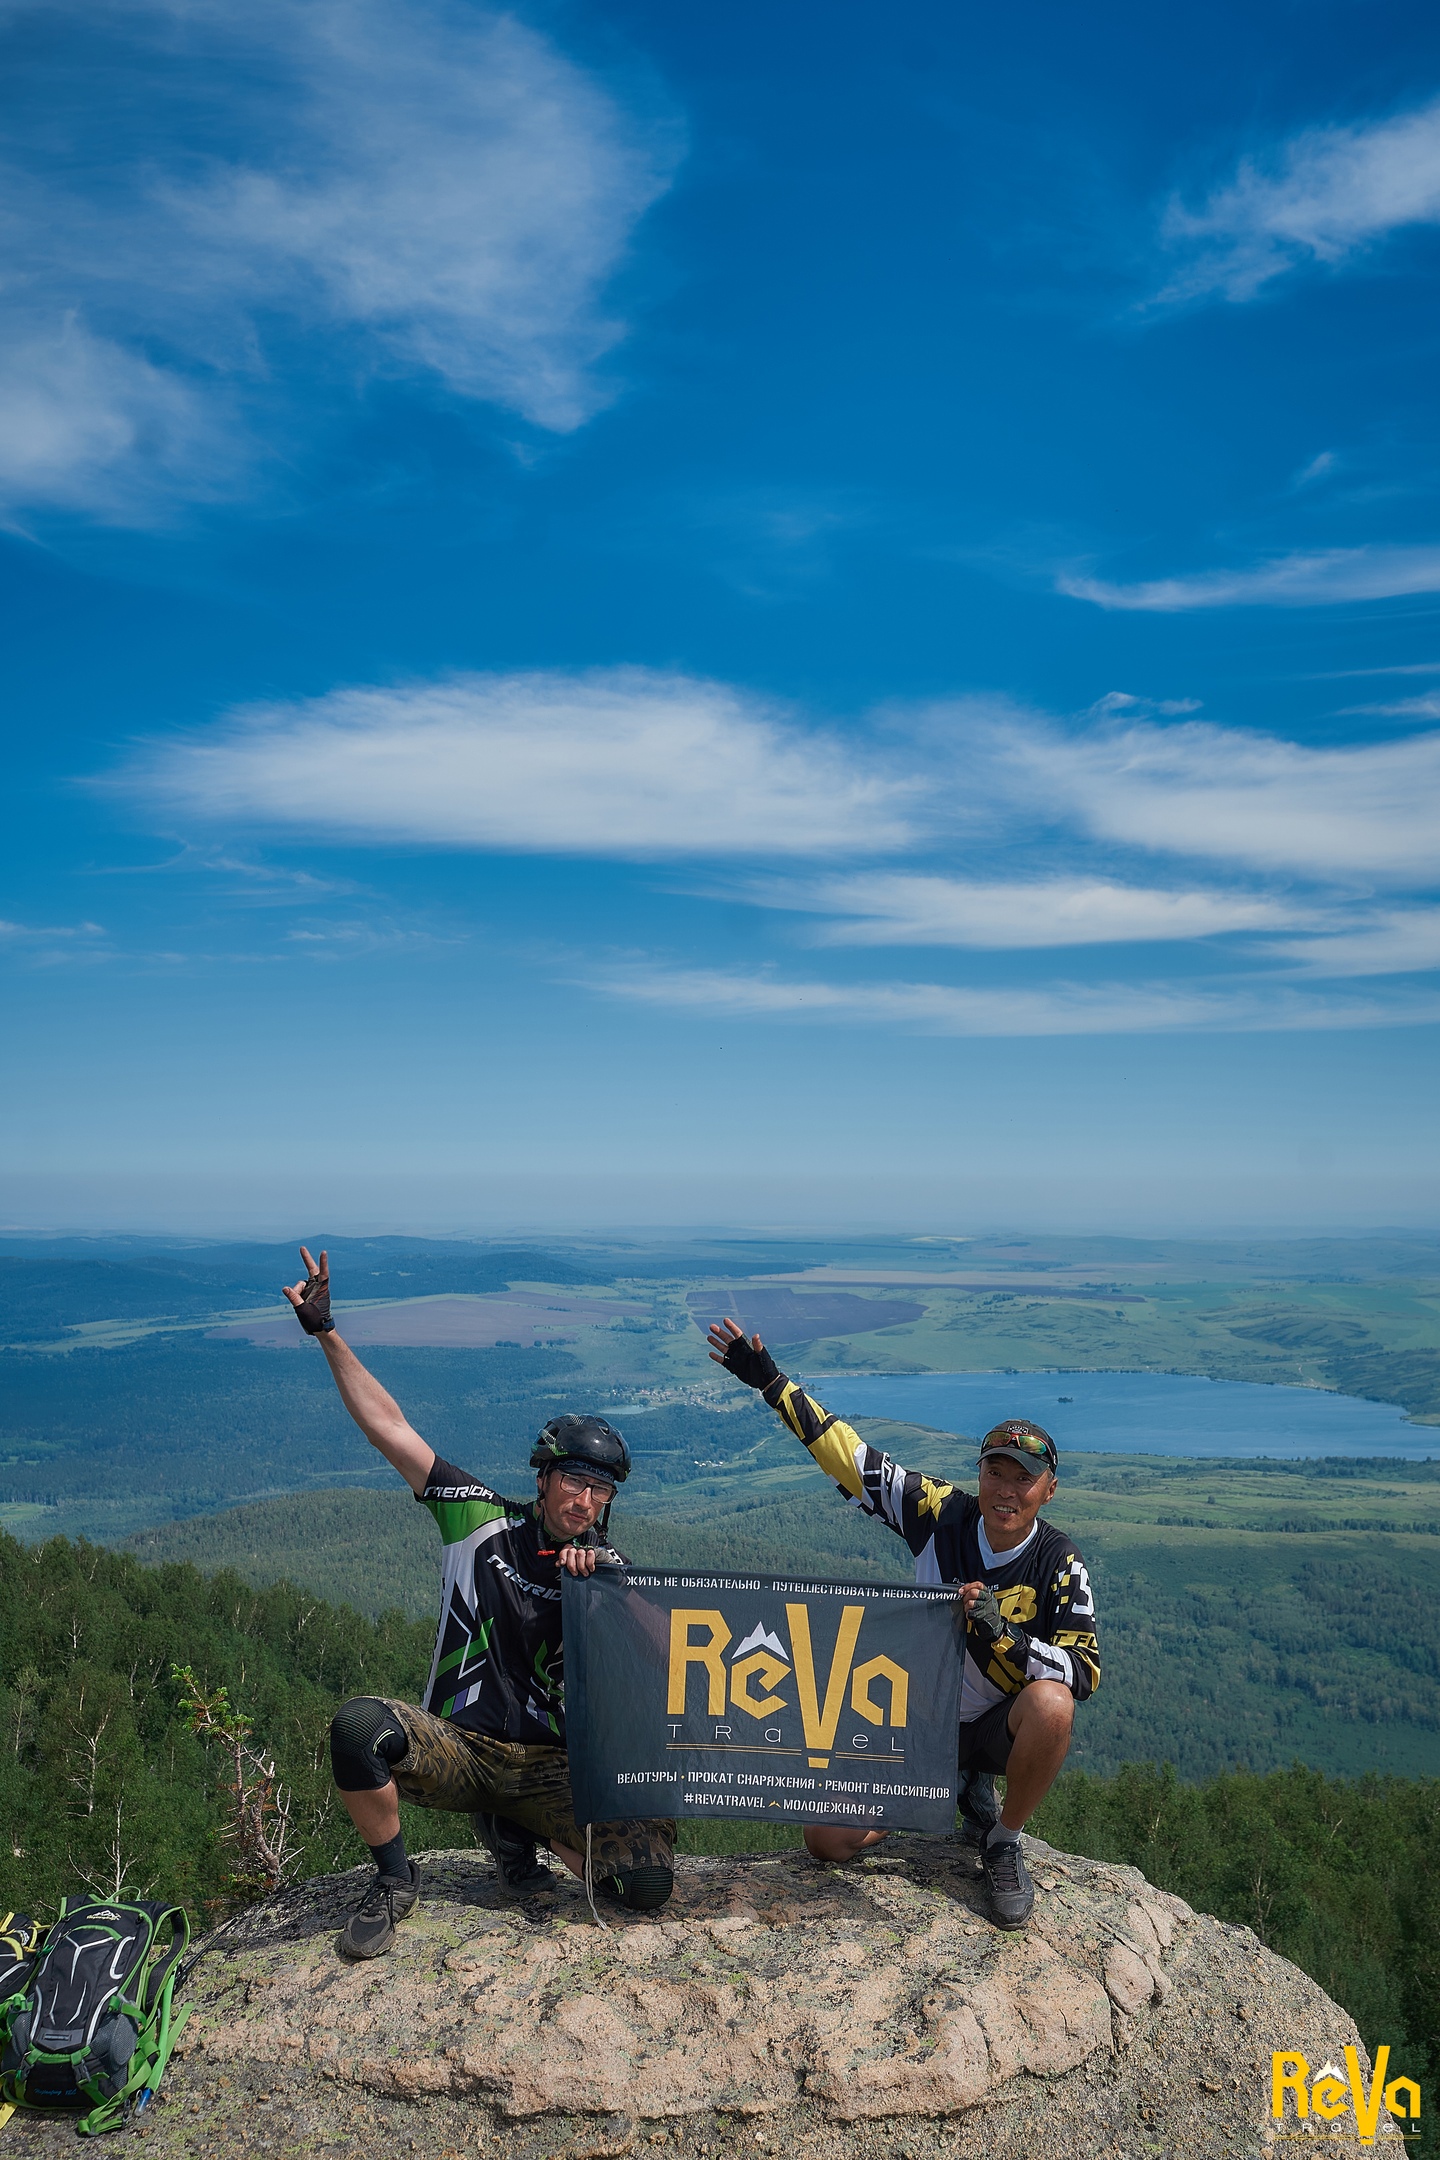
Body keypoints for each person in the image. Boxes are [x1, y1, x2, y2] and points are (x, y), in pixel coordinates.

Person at [284, 1246, 676, 1959]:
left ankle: (517, 1829)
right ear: (545, 1478)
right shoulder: (478, 1519)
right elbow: (391, 1428)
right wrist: (325, 1331)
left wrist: (610, 1588)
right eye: (572, 1482)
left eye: (601, 1490)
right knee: (358, 1728)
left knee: (643, 1889)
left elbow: (668, 1660)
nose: (584, 1501)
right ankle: (396, 1880)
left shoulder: (608, 1570)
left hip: (549, 1763)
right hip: (459, 1748)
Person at [706, 1318, 1100, 1929]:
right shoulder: (940, 1513)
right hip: (919, 1720)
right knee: (825, 1842)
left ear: (1049, 1490)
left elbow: (1084, 1673)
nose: (1006, 1489)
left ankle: (1002, 1838)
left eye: (1024, 1478)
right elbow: (851, 1459)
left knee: (1052, 1705)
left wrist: (1004, 1634)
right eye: (996, 1471)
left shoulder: (1058, 1561)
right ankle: (937, 1794)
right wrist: (769, 1381)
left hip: (1000, 1724)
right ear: (979, 1473)